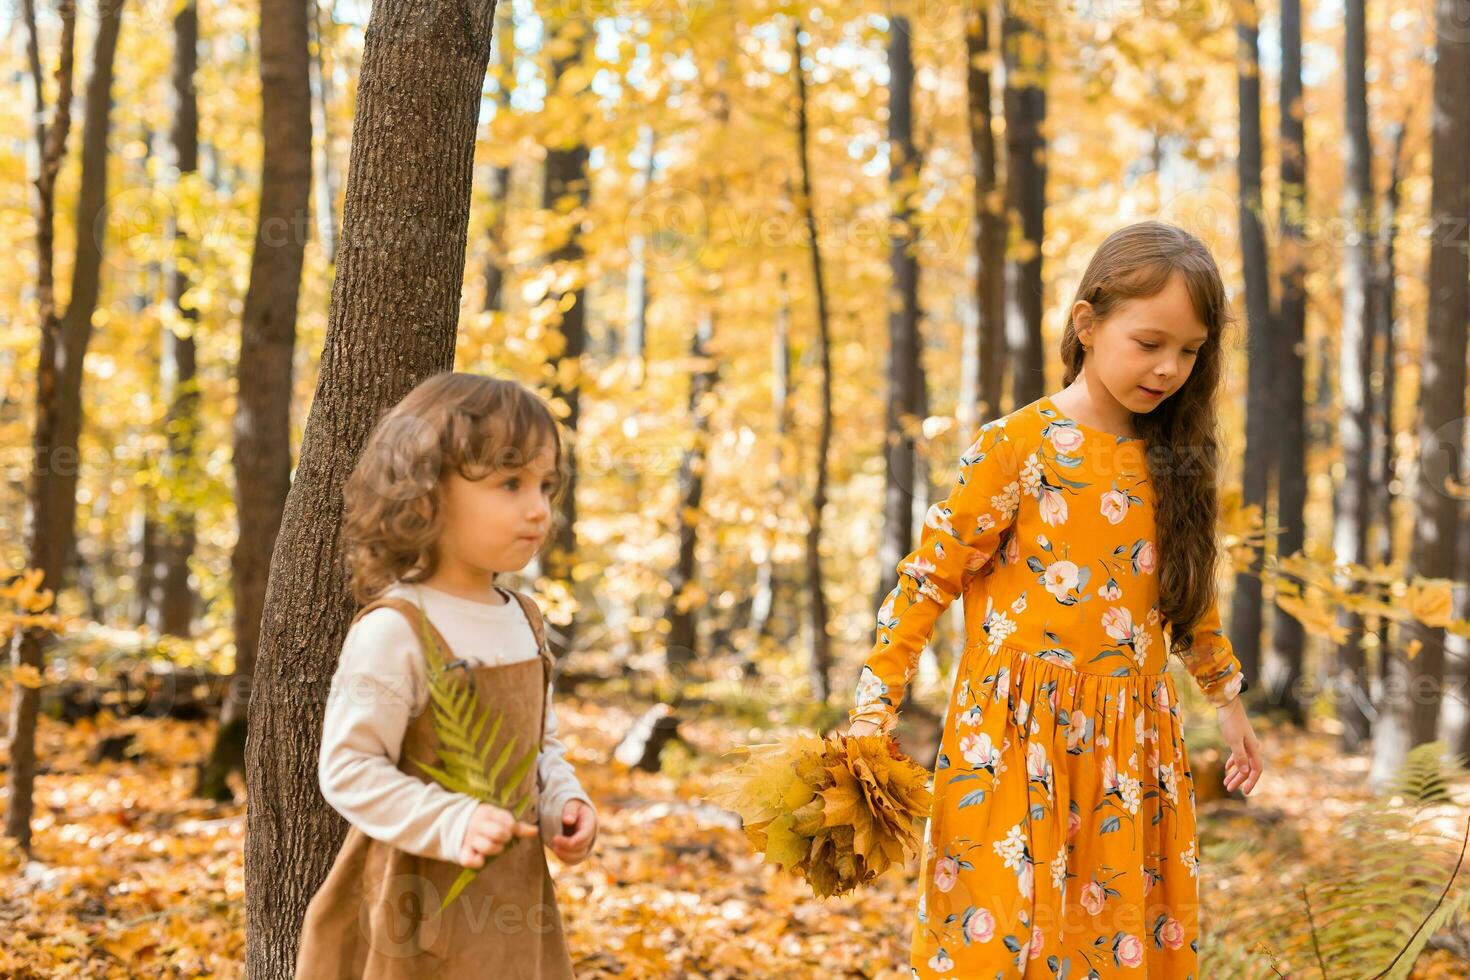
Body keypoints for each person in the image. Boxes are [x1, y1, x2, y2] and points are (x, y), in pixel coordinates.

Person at [846, 221, 1265, 977]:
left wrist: (1227, 702)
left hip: (1132, 749)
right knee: (1003, 940)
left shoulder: (1173, 458)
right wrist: (874, 708)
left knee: (1110, 946)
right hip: (1013, 744)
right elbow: (928, 577)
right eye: (1150, 342)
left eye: (1190, 350)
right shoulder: (1020, 445)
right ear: (1087, 323)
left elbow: (1188, 598)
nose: (1170, 368)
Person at [296, 372, 597, 979]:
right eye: (509, 483)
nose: (537, 508)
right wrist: (451, 820)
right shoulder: (398, 628)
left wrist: (561, 802)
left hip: (513, 902)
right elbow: (349, 767)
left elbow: (537, 748)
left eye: (545, 485)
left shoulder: (526, 622)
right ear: (426, 490)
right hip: (415, 904)